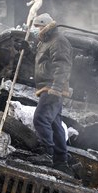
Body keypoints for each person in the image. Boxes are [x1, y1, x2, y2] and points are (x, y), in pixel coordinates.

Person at [30, 13, 74, 176]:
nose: (36, 31)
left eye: (37, 27)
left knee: (40, 119)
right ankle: (61, 159)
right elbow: (42, 62)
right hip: (47, 87)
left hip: (52, 87)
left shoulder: (58, 40)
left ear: (45, 26)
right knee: (55, 124)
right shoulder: (46, 41)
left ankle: (47, 154)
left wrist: (56, 87)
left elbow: (62, 66)